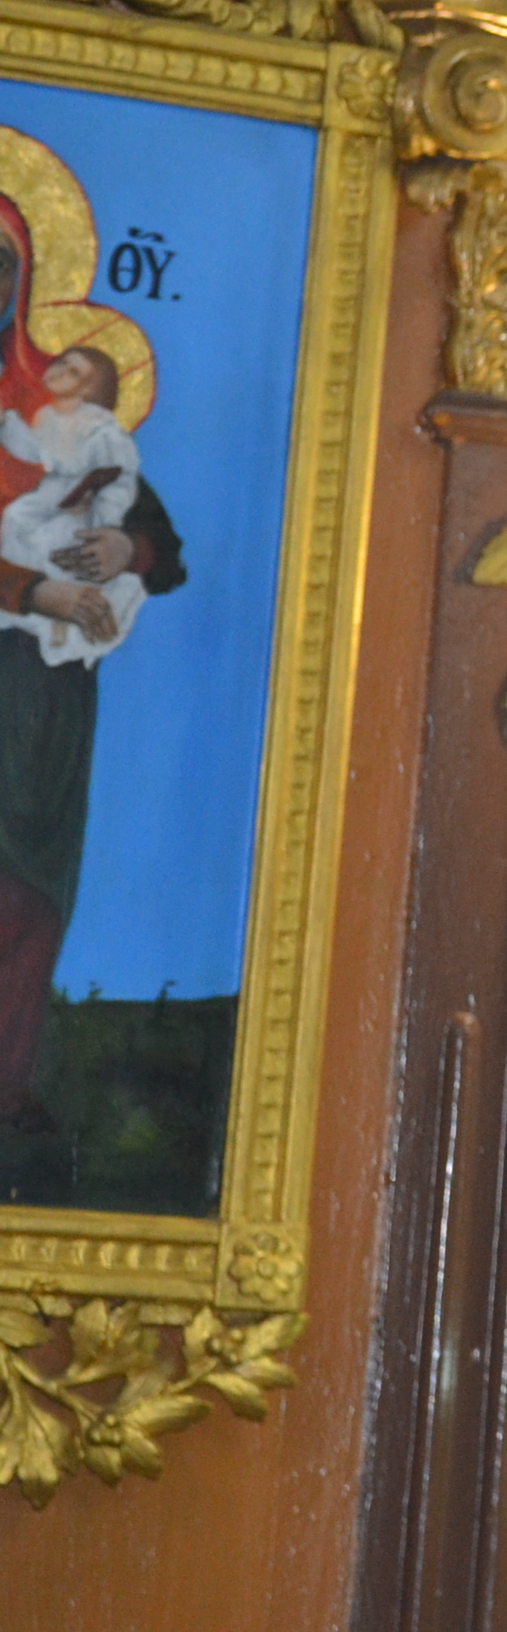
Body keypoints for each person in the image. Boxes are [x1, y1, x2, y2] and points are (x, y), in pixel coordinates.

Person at [0, 188, 179, 1146]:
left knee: (29, 886)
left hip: (45, 689)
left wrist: (124, 551)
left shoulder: (59, 410)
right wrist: (34, 591)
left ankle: (6, 1089)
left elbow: (161, 543)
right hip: (25, 632)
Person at [0, 344, 139, 666]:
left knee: (66, 545)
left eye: (73, 372)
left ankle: (61, 623)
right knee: (17, 519)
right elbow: (35, 451)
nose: (59, 372)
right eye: (61, 363)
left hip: (82, 502)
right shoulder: (47, 417)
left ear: (91, 390)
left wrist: (107, 526)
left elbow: (118, 479)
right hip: (51, 493)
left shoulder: (101, 428)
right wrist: (6, 423)